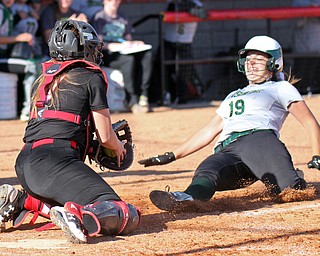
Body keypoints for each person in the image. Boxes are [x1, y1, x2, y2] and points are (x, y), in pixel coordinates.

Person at [139, 35, 320, 212]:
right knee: (207, 170)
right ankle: (186, 197)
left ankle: (294, 178)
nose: (251, 63)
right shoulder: (233, 95)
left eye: (258, 59)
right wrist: (172, 155)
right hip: (228, 148)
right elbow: (209, 130)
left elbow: (309, 121)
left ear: (274, 63)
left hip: (259, 142)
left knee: (290, 192)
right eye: (248, 59)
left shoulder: (280, 88)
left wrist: (317, 154)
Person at [0, 19, 141, 243]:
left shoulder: (42, 78)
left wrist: (87, 145)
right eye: (90, 47)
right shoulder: (90, 76)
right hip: (54, 163)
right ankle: (75, 214)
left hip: (26, 163)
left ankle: (22, 201)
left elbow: (55, 124)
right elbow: (106, 137)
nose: (94, 52)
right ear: (81, 48)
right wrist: (118, 147)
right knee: (123, 212)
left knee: (65, 195)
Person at [92, 0, 153, 114]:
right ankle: (131, 100)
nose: (114, 2)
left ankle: (143, 95)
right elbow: (98, 44)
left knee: (147, 55)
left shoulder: (122, 17)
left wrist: (134, 43)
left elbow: (127, 37)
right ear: (104, 2)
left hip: (124, 50)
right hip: (108, 55)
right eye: (110, 0)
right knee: (128, 60)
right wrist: (116, 45)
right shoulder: (99, 17)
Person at [0, 0, 39, 121]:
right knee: (31, 67)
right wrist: (19, 38)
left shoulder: (9, 10)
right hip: (1, 58)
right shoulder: (1, 10)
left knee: (36, 63)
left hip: (5, 57)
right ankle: (28, 110)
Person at [162, 0, 205, 105]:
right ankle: (166, 96)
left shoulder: (196, 4)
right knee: (166, 71)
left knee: (183, 74)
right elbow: (170, 9)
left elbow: (202, 14)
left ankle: (182, 98)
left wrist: (189, 9)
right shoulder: (171, 2)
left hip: (185, 42)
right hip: (168, 41)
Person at [292, 0, 320, 95]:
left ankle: (313, 89)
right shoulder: (298, 1)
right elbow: (297, 23)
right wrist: (308, 11)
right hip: (303, 43)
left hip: (317, 41)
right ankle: (300, 92)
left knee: (315, 71)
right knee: (302, 72)